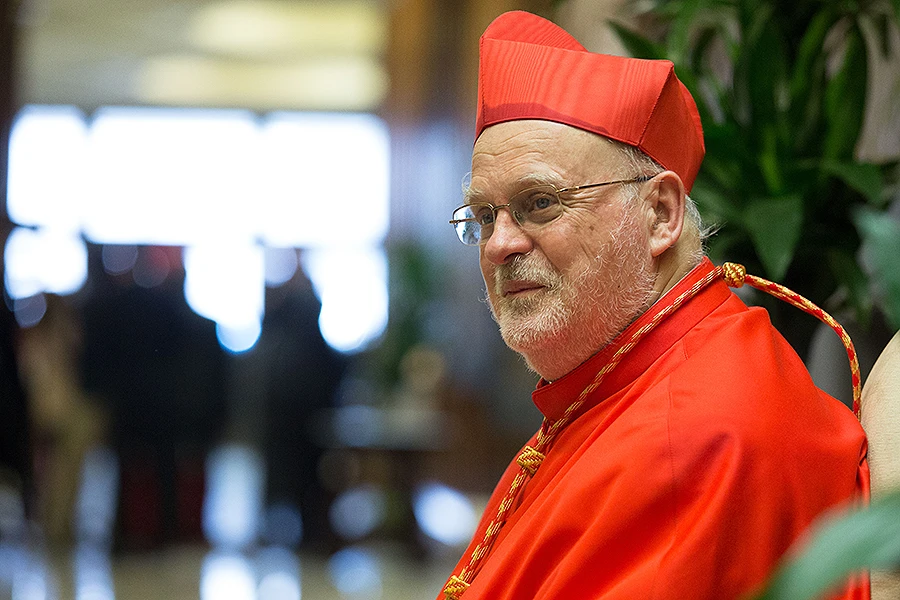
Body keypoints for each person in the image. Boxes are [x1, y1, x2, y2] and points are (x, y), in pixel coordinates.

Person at [440, 11, 868, 600]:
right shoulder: (621, 380)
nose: (500, 244)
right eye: (485, 217)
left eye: (539, 202)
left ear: (661, 214)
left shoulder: (695, 433)